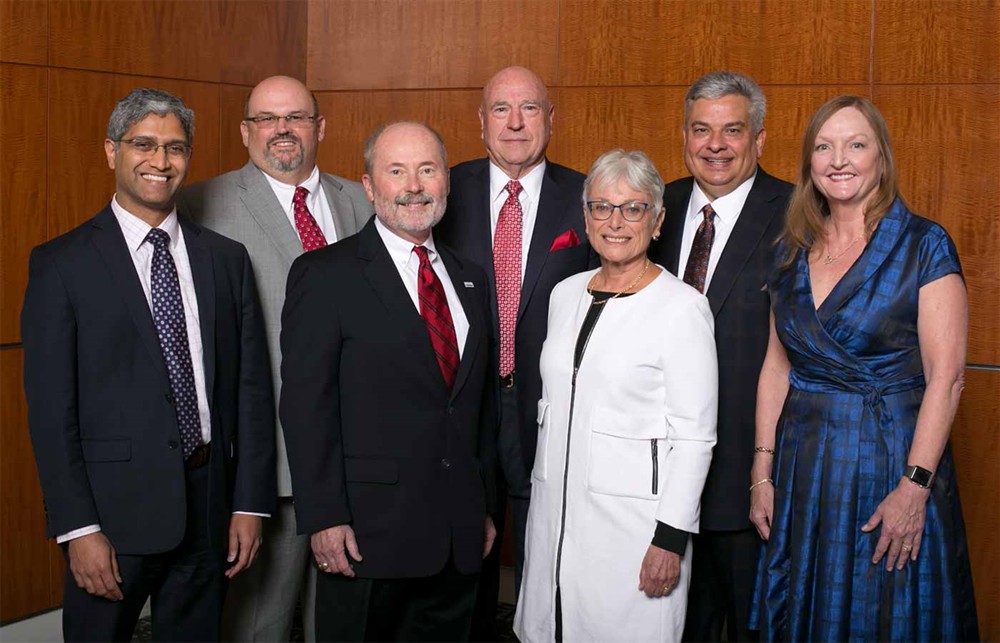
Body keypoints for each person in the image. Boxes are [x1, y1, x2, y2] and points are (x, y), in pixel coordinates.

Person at [21, 88, 275, 641]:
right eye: (144, 145)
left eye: (176, 148)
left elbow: (250, 394)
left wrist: (250, 504)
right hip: (112, 517)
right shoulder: (61, 265)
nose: (161, 162)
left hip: (211, 507)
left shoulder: (226, 261)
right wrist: (77, 528)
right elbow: (51, 415)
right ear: (112, 152)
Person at [749, 95, 979, 641]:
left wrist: (915, 487)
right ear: (809, 163)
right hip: (807, 471)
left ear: (882, 156)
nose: (839, 159)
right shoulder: (791, 249)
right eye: (824, 147)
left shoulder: (925, 244)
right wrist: (762, 473)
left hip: (890, 463)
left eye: (856, 144)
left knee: (886, 608)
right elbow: (775, 368)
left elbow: (947, 377)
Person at [279, 121, 498, 641]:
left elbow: (478, 407)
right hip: (366, 540)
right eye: (396, 171)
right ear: (370, 186)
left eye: (427, 170)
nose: (414, 186)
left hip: (457, 539)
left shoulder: (469, 277)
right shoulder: (325, 275)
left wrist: (482, 506)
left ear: (446, 181)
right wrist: (324, 518)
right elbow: (306, 409)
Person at [178, 75, 372, 642]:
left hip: (357, 460)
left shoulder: (362, 201)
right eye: (266, 118)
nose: (282, 130)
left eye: (296, 117)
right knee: (257, 626)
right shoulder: (200, 205)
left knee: (341, 625)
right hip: (267, 469)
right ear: (245, 131)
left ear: (320, 127)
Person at [515, 149, 718, 642]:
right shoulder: (565, 293)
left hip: (634, 531)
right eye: (602, 207)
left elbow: (694, 438)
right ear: (586, 216)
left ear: (658, 219)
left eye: (633, 208)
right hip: (554, 519)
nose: (616, 222)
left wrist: (669, 539)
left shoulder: (682, 308)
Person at [435, 66, 594, 635]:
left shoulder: (586, 198)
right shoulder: (443, 192)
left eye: (530, 108)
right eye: (502, 109)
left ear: (551, 120)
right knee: (461, 555)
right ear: (481, 123)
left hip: (549, 408)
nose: (516, 122)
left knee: (544, 557)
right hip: (464, 406)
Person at [647, 70, 791, 642]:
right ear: (684, 136)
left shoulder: (800, 213)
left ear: (758, 139)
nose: (715, 144)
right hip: (658, 470)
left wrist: (766, 466)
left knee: (754, 625)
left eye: (732, 130)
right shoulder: (655, 206)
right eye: (701, 129)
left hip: (745, 472)